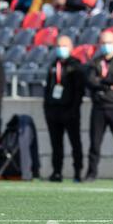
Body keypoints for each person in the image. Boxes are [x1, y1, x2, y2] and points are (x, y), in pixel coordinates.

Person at [86, 31, 113, 183]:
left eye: (109, 42)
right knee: (94, 144)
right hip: (99, 107)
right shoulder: (96, 62)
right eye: (103, 43)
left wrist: (101, 81)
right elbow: (90, 81)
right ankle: (91, 174)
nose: (106, 46)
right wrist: (107, 84)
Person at [44, 36, 85, 183]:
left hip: (70, 111)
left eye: (64, 45)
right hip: (54, 111)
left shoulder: (76, 66)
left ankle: (77, 172)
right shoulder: (53, 65)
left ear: (71, 47)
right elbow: (48, 88)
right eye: (59, 45)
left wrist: (74, 109)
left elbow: (79, 91)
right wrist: (47, 109)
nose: (61, 48)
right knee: (56, 144)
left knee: (75, 143)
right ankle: (56, 172)